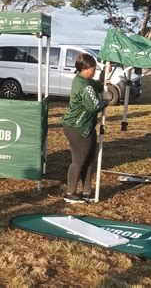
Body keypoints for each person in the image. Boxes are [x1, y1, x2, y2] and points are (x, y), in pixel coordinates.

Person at [62, 53, 109, 203]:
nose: (93, 71)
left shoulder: (83, 79)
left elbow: (99, 86)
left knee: (89, 159)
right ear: (83, 68)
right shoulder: (84, 86)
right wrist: (105, 102)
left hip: (85, 127)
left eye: (95, 69)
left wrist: (104, 73)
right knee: (79, 160)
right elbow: (93, 106)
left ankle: (87, 191)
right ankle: (70, 193)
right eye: (92, 69)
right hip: (78, 127)